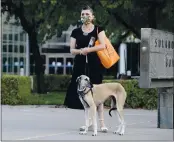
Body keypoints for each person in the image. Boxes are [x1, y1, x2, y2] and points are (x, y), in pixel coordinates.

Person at [64, 5, 108, 131]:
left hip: (94, 64)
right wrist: (81, 51)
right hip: (80, 64)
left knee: (97, 93)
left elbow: (103, 45)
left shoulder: (99, 29)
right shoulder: (76, 32)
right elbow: (72, 50)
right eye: (83, 14)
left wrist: (89, 49)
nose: (85, 16)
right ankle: (88, 122)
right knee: (84, 96)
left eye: (87, 14)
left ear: (92, 17)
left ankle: (102, 123)